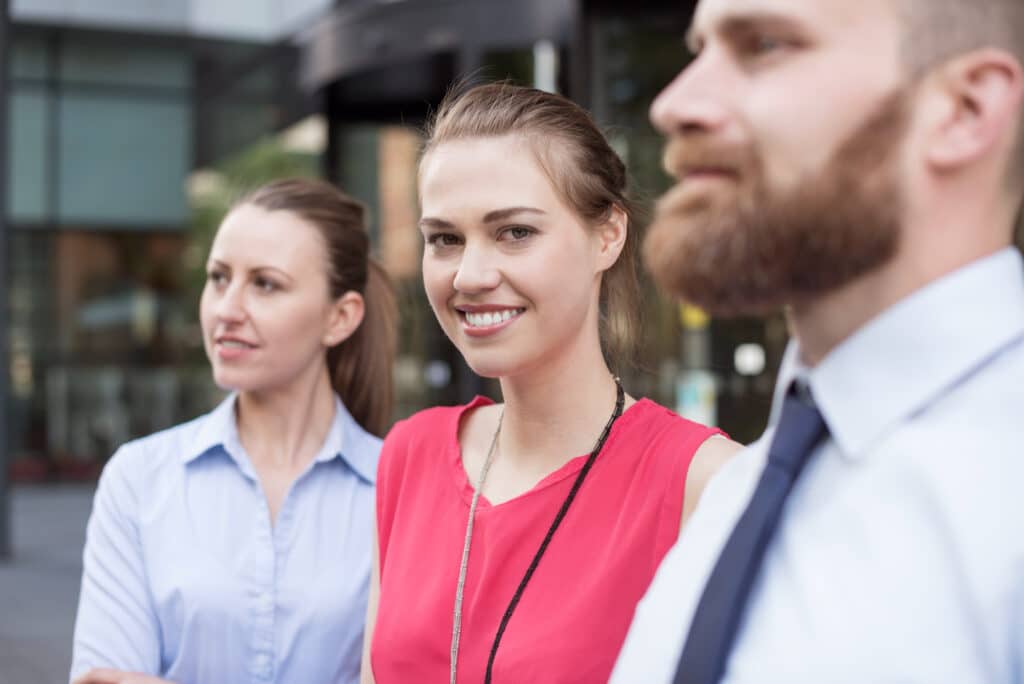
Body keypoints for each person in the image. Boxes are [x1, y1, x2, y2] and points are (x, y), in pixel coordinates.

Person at [612, 0, 1024, 681]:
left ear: (964, 110)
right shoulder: (739, 497)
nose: (675, 104)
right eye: (700, 49)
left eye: (765, 45)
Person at [362, 82, 740, 684]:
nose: (471, 274)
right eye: (445, 239)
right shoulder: (410, 455)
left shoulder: (705, 482)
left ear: (607, 235)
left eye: (515, 232)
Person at [70, 178, 397, 684]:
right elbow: (103, 679)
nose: (226, 310)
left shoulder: (398, 489)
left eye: (265, 283)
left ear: (340, 317)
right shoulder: (139, 479)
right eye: (219, 278)